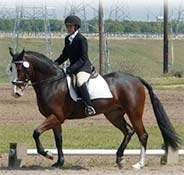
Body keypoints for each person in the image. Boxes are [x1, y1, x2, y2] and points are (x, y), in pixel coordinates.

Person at [55, 15, 96, 116]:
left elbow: (83, 58)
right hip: (73, 68)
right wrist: (54, 64)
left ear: (76, 27)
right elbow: (64, 55)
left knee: (80, 82)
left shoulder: (81, 39)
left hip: (83, 67)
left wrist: (70, 69)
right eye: (67, 26)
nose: (68, 28)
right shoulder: (67, 39)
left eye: (70, 26)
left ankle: (89, 106)